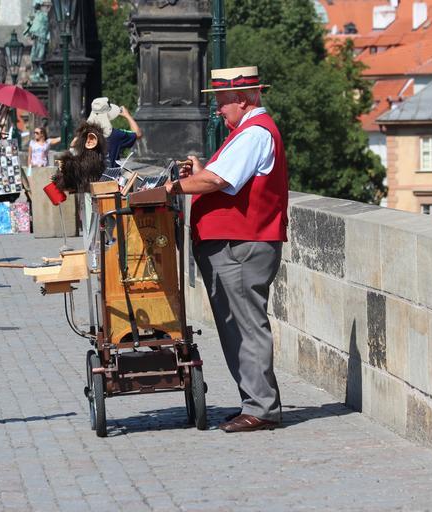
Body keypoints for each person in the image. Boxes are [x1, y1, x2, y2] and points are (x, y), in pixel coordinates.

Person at [165, 66, 288, 433]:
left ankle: (262, 408)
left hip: (243, 244)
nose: (218, 110)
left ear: (243, 99)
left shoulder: (254, 133)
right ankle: (254, 402)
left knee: (246, 326)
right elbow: (219, 176)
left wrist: (175, 187)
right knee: (237, 326)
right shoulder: (245, 133)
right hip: (235, 243)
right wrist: (199, 173)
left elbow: (219, 180)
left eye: (222, 102)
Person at [87, 97, 142, 167]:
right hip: (110, 173)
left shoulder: (83, 133)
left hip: (89, 173)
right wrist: (127, 115)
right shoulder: (115, 134)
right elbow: (138, 134)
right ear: (108, 114)